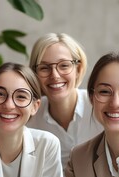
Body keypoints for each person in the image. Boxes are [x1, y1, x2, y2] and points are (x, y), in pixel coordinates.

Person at [27, 33, 103, 169]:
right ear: (35, 74)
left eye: (64, 65)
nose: (55, 75)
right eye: (44, 68)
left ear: (78, 69)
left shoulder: (100, 107)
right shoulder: (30, 118)